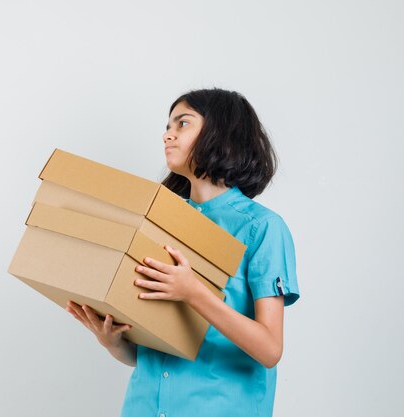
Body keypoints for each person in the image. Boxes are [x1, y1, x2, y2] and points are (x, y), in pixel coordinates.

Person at [65, 87, 300, 417]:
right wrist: (114, 342)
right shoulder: (158, 221)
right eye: (167, 126)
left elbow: (270, 349)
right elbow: (155, 352)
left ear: (223, 134)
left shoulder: (262, 228)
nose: (167, 135)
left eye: (182, 124)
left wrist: (193, 292)